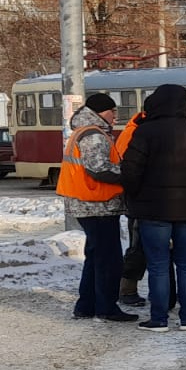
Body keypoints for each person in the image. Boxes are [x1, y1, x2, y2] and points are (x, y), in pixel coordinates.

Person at [119, 84, 186, 332]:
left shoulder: (145, 132)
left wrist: (137, 194)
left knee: (158, 265)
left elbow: (130, 171)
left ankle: (159, 319)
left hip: (153, 211)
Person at [57, 92, 137, 323]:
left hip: (89, 203)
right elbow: (99, 169)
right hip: (97, 204)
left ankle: (87, 306)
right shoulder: (94, 135)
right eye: (113, 112)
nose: (115, 117)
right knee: (108, 260)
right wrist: (129, 175)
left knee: (95, 257)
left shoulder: (84, 131)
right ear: (102, 111)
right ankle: (106, 308)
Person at [110, 107, 150, 308]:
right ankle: (127, 290)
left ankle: (130, 289)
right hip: (140, 199)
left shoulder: (136, 130)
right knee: (138, 247)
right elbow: (128, 168)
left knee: (142, 246)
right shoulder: (134, 133)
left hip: (142, 198)